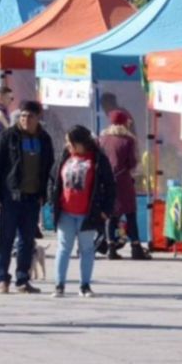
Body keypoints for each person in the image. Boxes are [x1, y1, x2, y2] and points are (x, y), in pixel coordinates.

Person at [0, 102, 56, 294]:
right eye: (22, 116)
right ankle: (2, 278)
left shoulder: (44, 139)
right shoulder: (7, 136)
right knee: (6, 239)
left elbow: (49, 168)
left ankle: (22, 279)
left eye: (30, 116)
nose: (26, 119)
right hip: (10, 196)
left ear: (38, 118)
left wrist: (45, 194)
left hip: (32, 198)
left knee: (27, 240)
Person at [46, 124, 117, 297]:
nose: (68, 146)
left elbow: (110, 186)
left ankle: (85, 285)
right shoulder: (64, 157)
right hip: (65, 212)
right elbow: (52, 179)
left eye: (70, 142)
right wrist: (52, 201)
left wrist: (105, 210)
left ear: (81, 142)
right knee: (64, 248)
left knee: (87, 249)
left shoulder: (98, 159)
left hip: (88, 214)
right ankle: (59, 285)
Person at [98, 109, 150, 260]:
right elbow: (132, 163)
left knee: (111, 214)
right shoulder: (128, 141)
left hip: (106, 181)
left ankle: (111, 248)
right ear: (125, 123)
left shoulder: (102, 139)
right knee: (130, 213)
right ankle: (136, 247)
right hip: (123, 181)